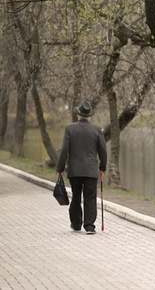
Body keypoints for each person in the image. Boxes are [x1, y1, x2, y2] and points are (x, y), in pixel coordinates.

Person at [57, 100, 107, 234]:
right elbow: (103, 150)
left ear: (78, 114)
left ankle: (76, 223)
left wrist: (60, 168)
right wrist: (103, 167)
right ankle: (89, 226)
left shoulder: (70, 128)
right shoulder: (96, 130)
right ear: (89, 115)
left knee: (76, 196)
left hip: (75, 170)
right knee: (90, 197)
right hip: (91, 170)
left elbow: (64, 150)